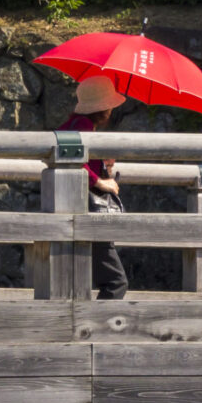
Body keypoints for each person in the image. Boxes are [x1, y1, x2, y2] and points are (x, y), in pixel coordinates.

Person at [58, 78, 131, 301]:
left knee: (73, 280)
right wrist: (100, 181)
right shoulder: (84, 128)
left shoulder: (71, 125)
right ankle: (97, 333)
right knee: (116, 282)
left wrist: (103, 164)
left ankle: (90, 332)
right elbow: (75, 162)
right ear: (101, 107)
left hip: (70, 207)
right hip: (89, 210)